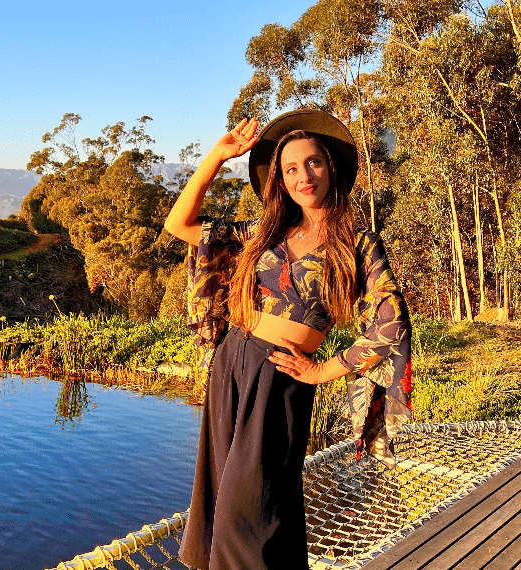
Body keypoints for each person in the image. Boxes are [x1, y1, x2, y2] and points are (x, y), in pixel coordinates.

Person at [163, 109, 412, 569]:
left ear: (331, 167)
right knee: (223, 503)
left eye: (313, 162)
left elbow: (392, 321)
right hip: (231, 361)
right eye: (290, 168)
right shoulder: (265, 232)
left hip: (282, 374)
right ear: (279, 179)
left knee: (253, 511)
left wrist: (323, 370)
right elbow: (179, 225)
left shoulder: (357, 241)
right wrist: (219, 155)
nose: (303, 176)